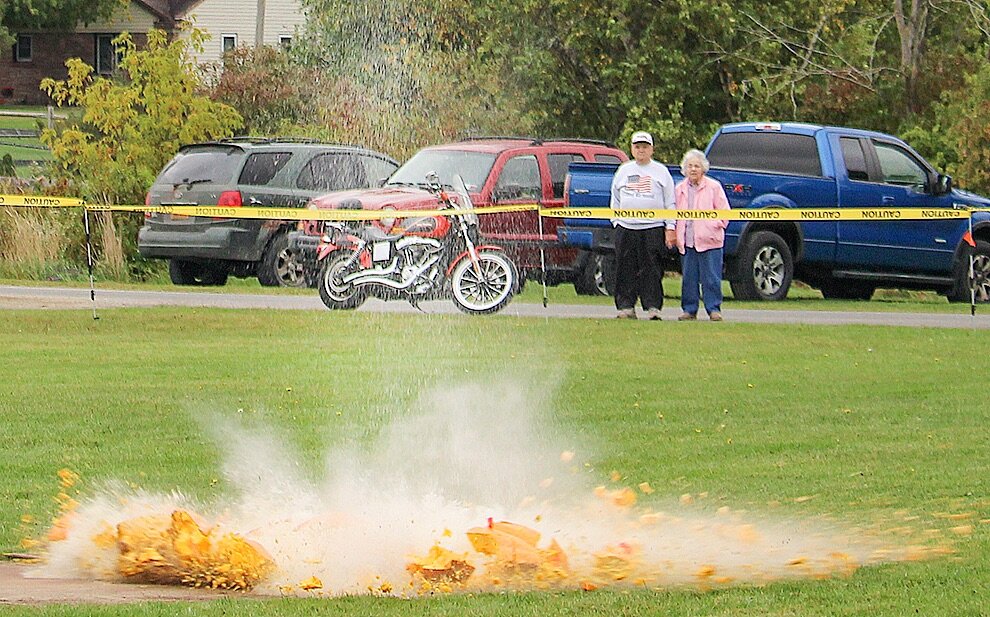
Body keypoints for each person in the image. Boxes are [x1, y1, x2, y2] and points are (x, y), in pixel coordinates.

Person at [610, 131, 676, 320]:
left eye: (645, 147)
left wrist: (670, 227)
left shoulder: (661, 171)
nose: (641, 150)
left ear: (651, 149)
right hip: (626, 227)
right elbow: (615, 197)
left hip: (652, 227)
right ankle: (625, 307)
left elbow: (670, 201)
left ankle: (653, 307)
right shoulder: (624, 170)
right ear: (632, 149)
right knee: (624, 267)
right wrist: (616, 221)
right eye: (637, 147)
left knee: (652, 268)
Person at [674, 149, 730, 321]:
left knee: (711, 277)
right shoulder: (679, 188)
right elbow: (674, 213)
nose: (693, 169)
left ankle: (714, 309)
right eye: (690, 166)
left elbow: (724, 213)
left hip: (710, 241)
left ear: (703, 168)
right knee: (689, 278)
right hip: (688, 240)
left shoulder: (713, 187)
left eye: (696, 166)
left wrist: (713, 226)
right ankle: (689, 310)